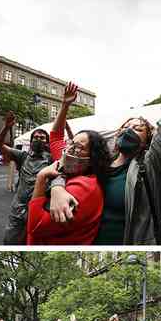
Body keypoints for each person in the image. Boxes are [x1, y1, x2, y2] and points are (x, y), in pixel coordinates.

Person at [50, 24, 161, 245]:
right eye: (127, 126)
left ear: (148, 140)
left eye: (138, 128)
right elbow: (62, 167)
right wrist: (57, 188)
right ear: (117, 134)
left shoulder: (152, 168)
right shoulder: (100, 164)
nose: (130, 129)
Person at [26, 82, 111, 245]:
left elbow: (36, 226)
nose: (70, 149)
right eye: (71, 143)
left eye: (79, 147)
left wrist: (41, 177)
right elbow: (56, 137)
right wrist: (65, 104)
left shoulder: (86, 188)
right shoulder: (68, 163)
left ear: (93, 157)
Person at [0, 112, 52, 244]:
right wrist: (6, 128)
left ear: (47, 142)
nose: (38, 139)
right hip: (18, 209)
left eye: (42, 138)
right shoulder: (22, 156)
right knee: (10, 241)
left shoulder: (51, 160)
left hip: (40, 210)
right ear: (31, 142)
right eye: (36, 137)